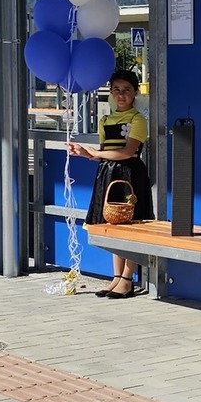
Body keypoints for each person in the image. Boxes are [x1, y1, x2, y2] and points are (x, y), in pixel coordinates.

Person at [68, 69, 155, 299]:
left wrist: (95, 153)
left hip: (130, 173)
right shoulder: (105, 120)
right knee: (113, 222)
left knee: (132, 223)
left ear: (135, 92)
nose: (121, 94)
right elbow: (105, 151)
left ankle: (128, 278)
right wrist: (85, 153)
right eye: (116, 89)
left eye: (126, 90)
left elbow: (127, 152)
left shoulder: (138, 119)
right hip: (108, 173)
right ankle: (116, 276)